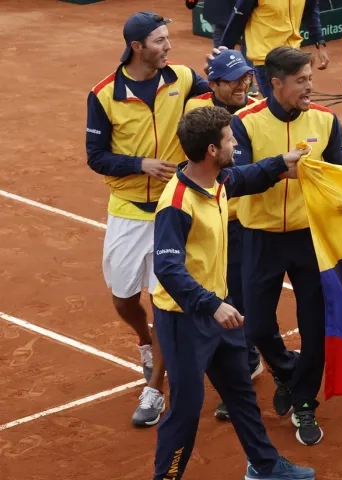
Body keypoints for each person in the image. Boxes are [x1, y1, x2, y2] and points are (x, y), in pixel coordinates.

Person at [152, 105, 315, 480]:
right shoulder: (177, 204)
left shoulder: (217, 181)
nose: (235, 143)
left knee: (241, 394)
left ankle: (266, 467)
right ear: (212, 150)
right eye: (229, 139)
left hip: (218, 313)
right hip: (186, 321)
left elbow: (247, 176)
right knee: (187, 409)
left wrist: (281, 163)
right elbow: (168, 269)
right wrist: (211, 305)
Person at [85, 11, 212, 427]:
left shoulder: (183, 78)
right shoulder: (104, 95)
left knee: (167, 301)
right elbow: (96, 157)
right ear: (137, 47)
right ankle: (144, 339)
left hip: (172, 207)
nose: (168, 46)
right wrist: (140, 163)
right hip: (126, 210)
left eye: (167, 38)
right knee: (123, 298)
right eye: (159, 41)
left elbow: (214, 98)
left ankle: (155, 388)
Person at [231, 46, 342, 446]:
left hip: (308, 237)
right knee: (259, 326)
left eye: (309, 80)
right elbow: (237, 178)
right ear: (276, 83)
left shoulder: (325, 119)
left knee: (315, 326)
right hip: (259, 237)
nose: (309, 87)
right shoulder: (244, 123)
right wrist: (283, 167)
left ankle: (304, 401)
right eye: (301, 81)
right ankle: (285, 371)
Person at [184, 49, 264, 421]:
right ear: (213, 83)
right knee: (213, 291)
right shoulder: (196, 110)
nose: (242, 84)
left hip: (241, 221)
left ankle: (245, 365)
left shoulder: (256, 110)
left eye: (246, 76)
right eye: (233, 79)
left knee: (238, 296)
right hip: (204, 219)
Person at [220, 0, 330, 98]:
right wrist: (223, 52)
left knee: (294, 105)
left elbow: (311, 13)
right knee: (277, 107)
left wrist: (320, 43)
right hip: (266, 60)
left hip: (293, 56)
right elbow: (237, 20)